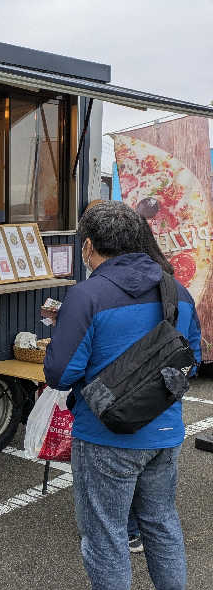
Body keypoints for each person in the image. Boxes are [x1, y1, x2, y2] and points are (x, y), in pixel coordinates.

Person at [44, 201, 201, 590]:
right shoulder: (177, 291)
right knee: (161, 522)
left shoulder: (87, 295)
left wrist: (61, 335)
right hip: (164, 432)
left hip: (105, 435)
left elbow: (61, 373)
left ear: (89, 246)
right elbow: (191, 361)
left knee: (106, 536)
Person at [127, 215, 176, 555]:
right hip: (164, 409)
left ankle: (130, 532)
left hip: (124, 402)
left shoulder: (114, 288)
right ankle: (146, 533)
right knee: (159, 510)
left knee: (123, 476)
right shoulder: (172, 283)